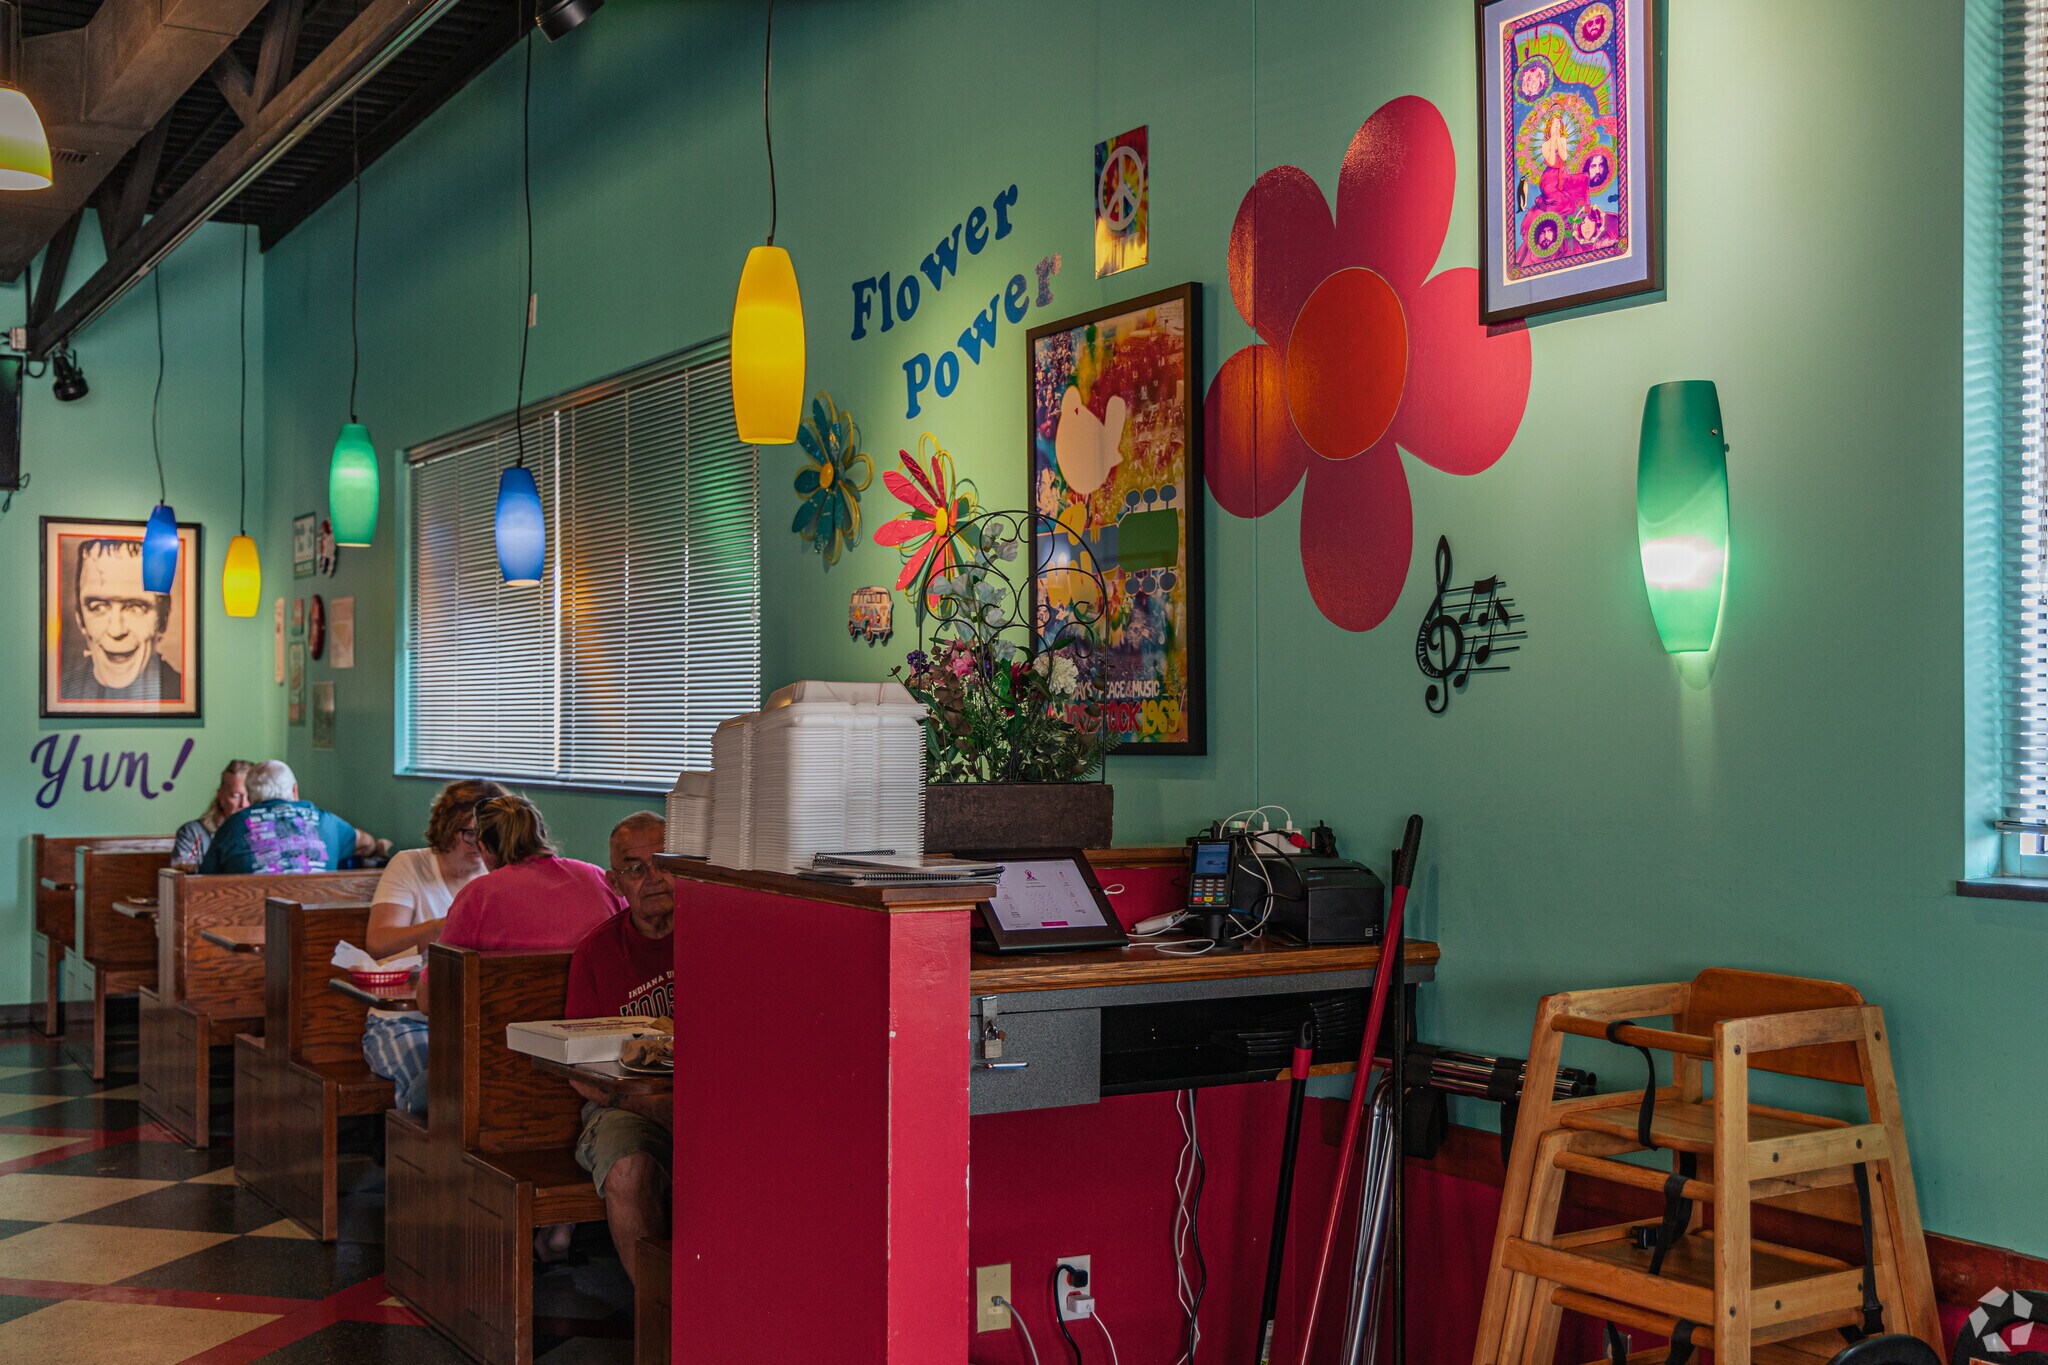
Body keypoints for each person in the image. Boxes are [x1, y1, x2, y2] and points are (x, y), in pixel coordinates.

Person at [363, 793, 622, 1120]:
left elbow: (431, 1002)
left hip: (498, 1068)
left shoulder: (479, 895)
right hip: (589, 1062)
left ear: (485, 848)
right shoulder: (598, 879)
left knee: (420, 1096)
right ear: (540, 834)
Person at [563, 812, 675, 1287]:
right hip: (625, 1106)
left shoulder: (720, 935)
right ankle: (658, 1320)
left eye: (664, 862)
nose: (654, 878)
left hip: (716, 1100)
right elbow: (580, 1068)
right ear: (614, 882)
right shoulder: (597, 953)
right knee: (628, 1170)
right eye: (635, 868)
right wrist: (649, 1105)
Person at [362, 778, 507, 959]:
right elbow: (378, 944)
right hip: (420, 981)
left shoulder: (503, 871)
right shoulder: (410, 865)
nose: (481, 844)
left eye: (490, 835)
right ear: (447, 827)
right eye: (471, 833)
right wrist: (443, 926)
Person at [198, 760, 390, 875]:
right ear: (295, 790)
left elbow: (205, 880)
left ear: (250, 794)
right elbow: (367, 843)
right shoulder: (327, 821)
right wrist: (377, 847)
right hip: (316, 924)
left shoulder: (234, 825)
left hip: (252, 925)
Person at [61, 538, 184, 702]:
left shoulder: (180, 691)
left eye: (135, 608)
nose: (116, 631)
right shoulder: (67, 688)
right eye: (98, 607)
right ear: (80, 618)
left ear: (162, 620)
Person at [172, 760, 252, 869]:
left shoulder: (266, 834)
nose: (244, 804)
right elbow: (183, 879)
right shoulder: (193, 833)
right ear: (221, 797)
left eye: (250, 796)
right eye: (236, 796)